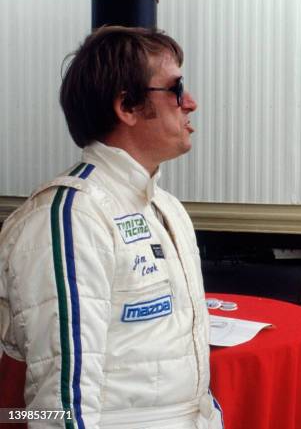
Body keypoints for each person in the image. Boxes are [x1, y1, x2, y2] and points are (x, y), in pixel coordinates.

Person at [0, 26, 223, 428]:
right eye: (176, 88)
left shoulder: (167, 208)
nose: (191, 103)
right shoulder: (73, 215)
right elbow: (59, 405)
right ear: (127, 107)